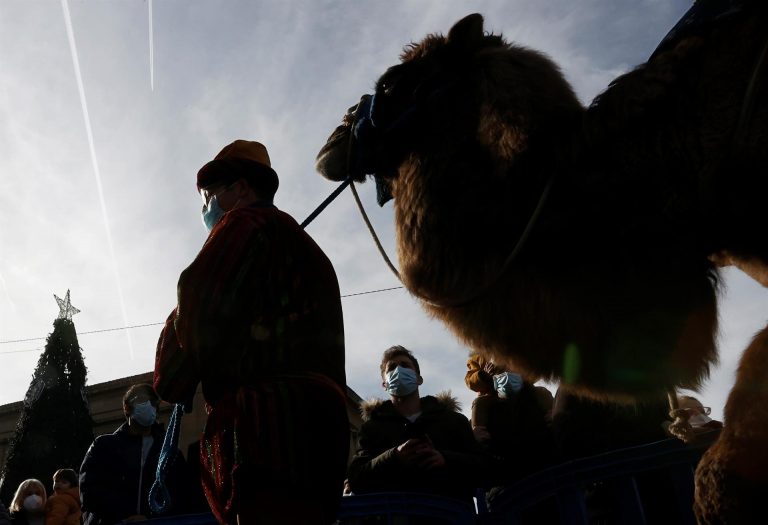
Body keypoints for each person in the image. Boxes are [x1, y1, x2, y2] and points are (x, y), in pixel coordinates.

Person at [154, 140, 349, 525]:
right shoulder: (310, 253)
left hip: (264, 436)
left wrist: (172, 352)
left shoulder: (242, 224)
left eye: (210, 195)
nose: (206, 208)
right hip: (321, 442)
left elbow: (189, 337)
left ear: (241, 189)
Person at [347, 345, 488, 504]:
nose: (398, 370)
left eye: (405, 365)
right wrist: (394, 456)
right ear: (384, 384)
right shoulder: (371, 429)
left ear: (419, 378)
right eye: (392, 368)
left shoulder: (453, 421)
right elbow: (356, 479)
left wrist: (445, 459)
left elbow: (485, 469)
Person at [79, 384, 188, 525]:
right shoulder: (103, 446)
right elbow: (89, 491)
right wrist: (122, 517)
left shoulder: (169, 452)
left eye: (153, 402)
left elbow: (183, 493)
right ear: (127, 407)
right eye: (142, 400)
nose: (148, 405)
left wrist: (150, 518)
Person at [464, 353, 554, 482]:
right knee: (479, 403)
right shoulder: (479, 356)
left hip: (522, 390)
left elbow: (535, 371)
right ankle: (478, 430)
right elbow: (470, 380)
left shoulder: (515, 349)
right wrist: (483, 376)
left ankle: (552, 415)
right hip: (493, 393)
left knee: (542, 392)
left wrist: (522, 373)